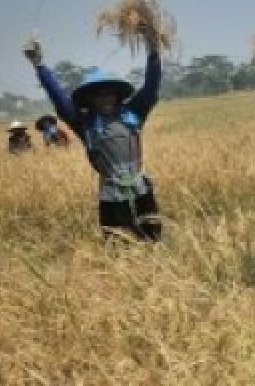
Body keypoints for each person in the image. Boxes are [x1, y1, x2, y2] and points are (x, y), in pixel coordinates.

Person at [23, 35, 163, 242]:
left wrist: (153, 50)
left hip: (141, 188)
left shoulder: (134, 114)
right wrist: (39, 64)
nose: (105, 99)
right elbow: (59, 96)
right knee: (119, 246)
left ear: (117, 95)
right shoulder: (85, 124)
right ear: (89, 99)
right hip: (111, 194)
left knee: (153, 238)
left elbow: (151, 86)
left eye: (109, 94)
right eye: (98, 95)